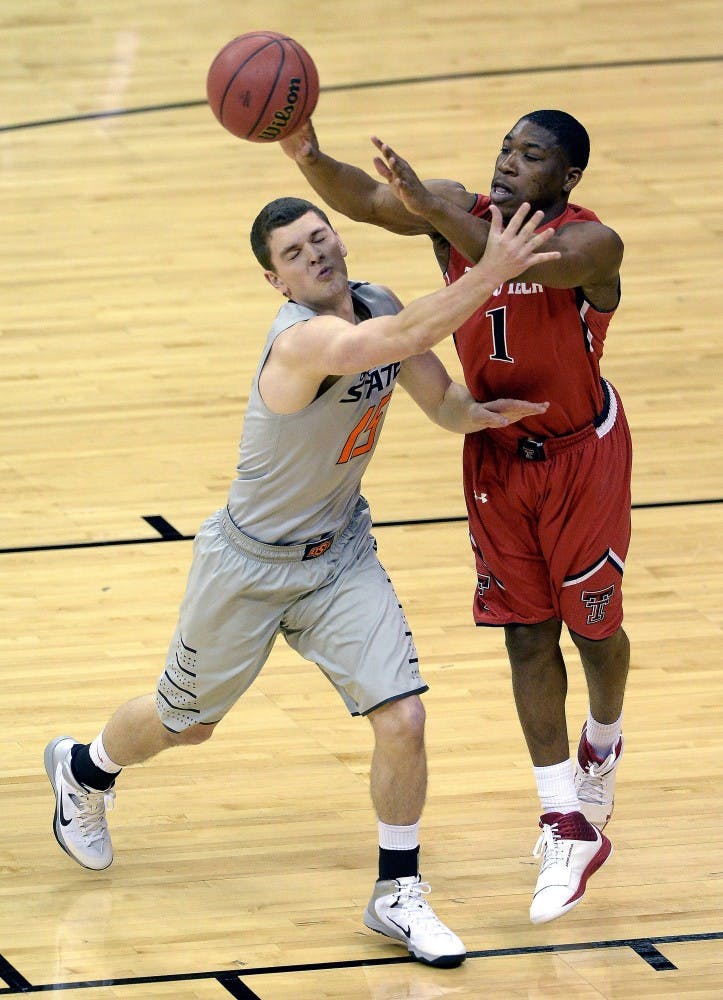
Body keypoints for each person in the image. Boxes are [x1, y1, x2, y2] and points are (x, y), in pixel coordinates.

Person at [44, 194, 558, 966]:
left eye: (320, 237)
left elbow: (438, 396)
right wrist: (490, 270)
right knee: (187, 724)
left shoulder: (376, 301)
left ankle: (396, 893)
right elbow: (404, 334)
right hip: (248, 567)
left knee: (404, 719)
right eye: (294, 253)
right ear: (275, 282)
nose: (315, 253)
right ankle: (84, 771)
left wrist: (478, 416)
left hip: (340, 556)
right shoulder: (304, 341)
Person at [280, 109, 632, 925]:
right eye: (506, 147)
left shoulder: (593, 244)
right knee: (524, 633)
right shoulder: (456, 208)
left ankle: (603, 742)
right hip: (497, 455)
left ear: (567, 177)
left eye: (531, 155)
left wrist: (435, 213)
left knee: (593, 631)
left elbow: (526, 265)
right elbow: (368, 198)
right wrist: (308, 153)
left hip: (582, 456)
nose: (508, 162)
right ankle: (563, 820)